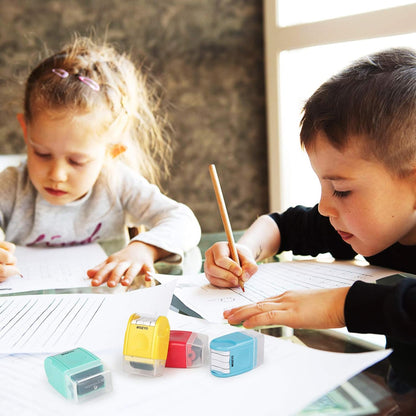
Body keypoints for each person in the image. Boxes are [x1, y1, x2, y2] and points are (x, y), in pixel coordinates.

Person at [204, 47, 416, 392]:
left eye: (341, 191)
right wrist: (243, 249)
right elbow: (285, 225)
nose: (324, 208)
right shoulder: (370, 223)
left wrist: (339, 306)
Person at [0, 36, 201, 288]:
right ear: (25, 130)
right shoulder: (10, 185)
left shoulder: (118, 183)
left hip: (104, 307)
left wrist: (144, 249)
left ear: (111, 152)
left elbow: (184, 221)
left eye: (77, 161)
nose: (57, 174)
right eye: (42, 153)